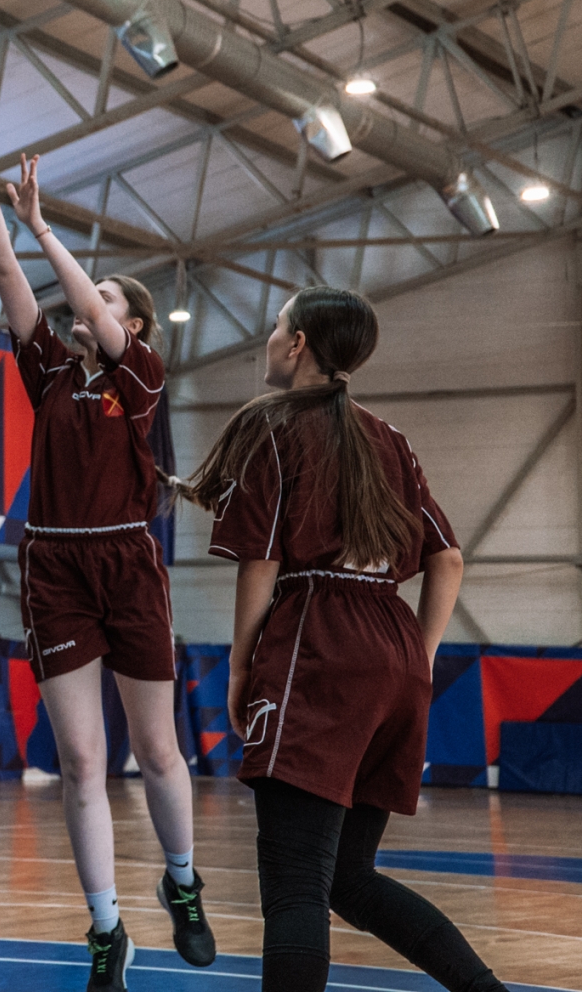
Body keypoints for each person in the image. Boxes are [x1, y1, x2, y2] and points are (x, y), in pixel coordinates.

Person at [0, 139, 213, 988]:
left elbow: (83, 299)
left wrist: (46, 227)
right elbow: (9, 275)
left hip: (128, 562)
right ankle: (105, 929)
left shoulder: (143, 377)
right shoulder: (51, 371)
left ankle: (183, 880)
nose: (90, 306)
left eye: (110, 301)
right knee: (82, 762)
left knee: (157, 749)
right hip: (54, 566)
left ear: (134, 327)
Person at [181, 286, 504, 992]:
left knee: (296, 880)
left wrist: (240, 667)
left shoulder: (273, 429)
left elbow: (261, 563)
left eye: (277, 326)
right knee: (348, 877)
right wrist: (418, 660)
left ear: (298, 343)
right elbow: (448, 559)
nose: (270, 338)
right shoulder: (391, 439)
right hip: (394, 644)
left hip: (319, 643)